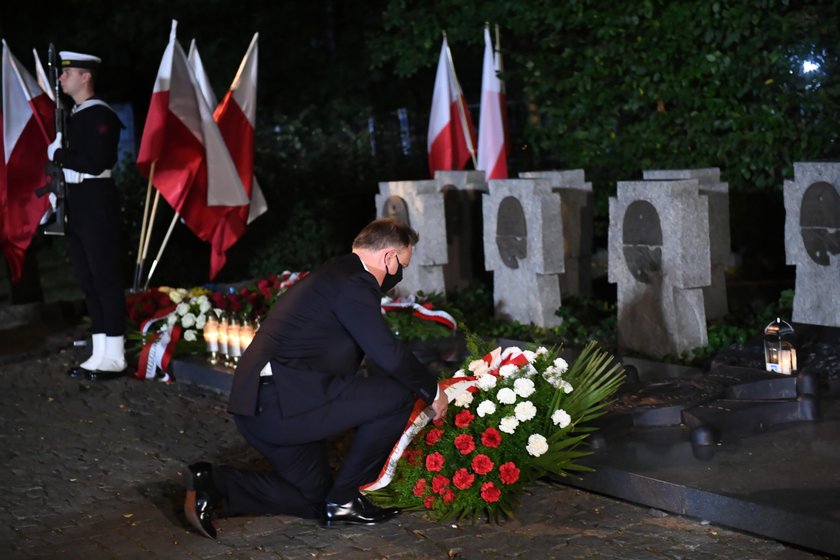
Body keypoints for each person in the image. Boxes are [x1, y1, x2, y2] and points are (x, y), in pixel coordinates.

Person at [184, 218, 448, 538]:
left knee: (314, 499)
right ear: (388, 257)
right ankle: (347, 499)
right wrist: (432, 391)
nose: (398, 275)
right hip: (281, 402)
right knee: (397, 396)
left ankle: (212, 483)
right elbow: (386, 352)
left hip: (264, 406)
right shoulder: (354, 282)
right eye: (401, 265)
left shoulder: (337, 274)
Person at [47, 52, 126, 381]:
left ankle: (116, 354)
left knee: (105, 278)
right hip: (77, 202)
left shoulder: (99, 115)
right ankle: (100, 351)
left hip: (95, 200)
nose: (61, 80)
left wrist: (60, 154)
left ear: (86, 77)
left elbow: (96, 162)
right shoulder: (76, 115)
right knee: (88, 279)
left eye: (68, 74)